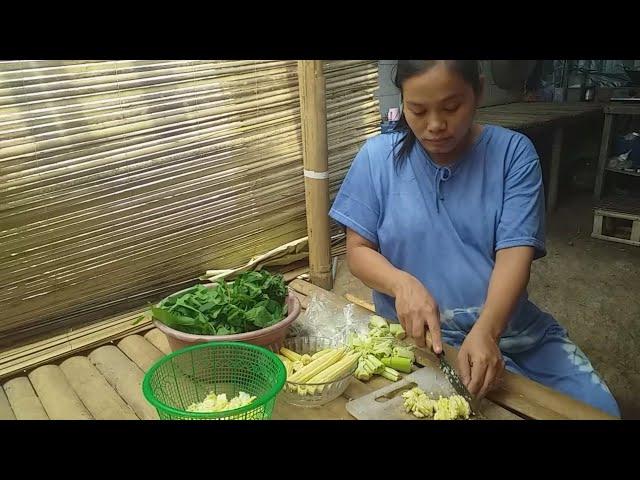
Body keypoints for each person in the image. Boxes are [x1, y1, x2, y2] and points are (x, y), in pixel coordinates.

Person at [329, 60, 620, 418]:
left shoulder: (513, 155)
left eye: (452, 108)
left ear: (478, 92)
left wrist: (487, 330)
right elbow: (357, 251)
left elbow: (516, 254)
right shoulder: (376, 159)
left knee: (600, 410)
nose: (435, 125)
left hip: (510, 329)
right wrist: (401, 283)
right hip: (422, 342)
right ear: (402, 102)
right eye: (417, 110)